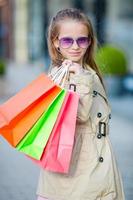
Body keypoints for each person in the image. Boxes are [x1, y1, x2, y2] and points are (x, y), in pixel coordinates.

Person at [36, 8, 125, 200]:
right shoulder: (62, 76)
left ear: (90, 41)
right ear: (56, 42)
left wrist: (84, 76)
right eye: (67, 40)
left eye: (82, 40)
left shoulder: (87, 72)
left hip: (95, 160)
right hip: (75, 168)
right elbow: (80, 114)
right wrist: (81, 80)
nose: (75, 46)